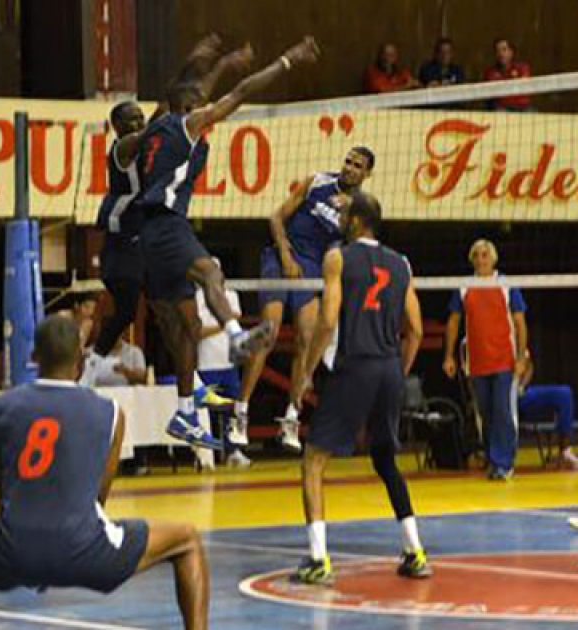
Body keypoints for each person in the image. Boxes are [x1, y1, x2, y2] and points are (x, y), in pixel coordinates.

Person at [0, 315, 209, 630]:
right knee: (187, 541)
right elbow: (98, 500)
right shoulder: (110, 412)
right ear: (81, 361)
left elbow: (5, 491)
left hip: (12, 548)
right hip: (87, 550)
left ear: (33, 358)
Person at [135, 36, 319, 451]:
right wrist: (287, 59)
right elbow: (239, 94)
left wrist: (216, 64)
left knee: (185, 334)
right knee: (211, 272)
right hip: (167, 226)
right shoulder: (187, 123)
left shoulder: (155, 127)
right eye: (198, 103)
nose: (205, 106)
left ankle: (185, 413)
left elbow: (188, 90)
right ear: (188, 109)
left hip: (147, 239)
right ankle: (237, 334)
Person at [85, 34, 250, 384]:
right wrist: (199, 68)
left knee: (183, 321)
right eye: (128, 122)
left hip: (146, 238)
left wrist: (206, 62)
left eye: (137, 118)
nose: (135, 124)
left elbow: (179, 103)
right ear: (117, 129)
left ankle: (191, 392)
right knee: (127, 311)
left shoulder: (155, 133)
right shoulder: (125, 148)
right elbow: (176, 107)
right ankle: (90, 370)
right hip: (122, 242)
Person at [292, 191, 430, 585]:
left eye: (343, 213)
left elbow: (327, 319)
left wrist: (306, 370)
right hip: (388, 368)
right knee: (386, 461)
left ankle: (318, 560)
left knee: (314, 460)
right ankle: (415, 552)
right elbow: (416, 330)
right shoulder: (401, 263)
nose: (338, 216)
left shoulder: (337, 257)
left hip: (355, 367)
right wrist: (398, 372)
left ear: (355, 222)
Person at [234, 148, 375, 453]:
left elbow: (352, 248)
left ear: (367, 174)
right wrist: (284, 254)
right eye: (348, 161)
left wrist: (349, 214)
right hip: (281, 256)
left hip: (314, 268)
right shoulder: (317, 182)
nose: (349, 168)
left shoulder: (360, 209)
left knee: (307, 339)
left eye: (357, 166)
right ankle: (241, 412)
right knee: (268, 332)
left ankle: (291, 418)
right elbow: (276, 218)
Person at [442, 239, 528, 480]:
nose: (481, 260)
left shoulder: (506, 285)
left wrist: (521, 357)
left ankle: (504, 463)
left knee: (502, 410)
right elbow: (453, 322)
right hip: (477, 363)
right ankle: (493, 460)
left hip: (504, 361)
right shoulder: (464, 287)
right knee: (486, 413)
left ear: (493, 258)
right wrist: (448, 356)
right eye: (477, 256)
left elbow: (520, 323)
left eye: (485, 255)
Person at [195, 280, 249, 468]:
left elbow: (236, 320)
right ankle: (206, 455)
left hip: (229, 362)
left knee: (233, 409)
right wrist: (224, 323)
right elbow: (198, 331)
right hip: (206, 363)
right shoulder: (197, 298)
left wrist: (219, 324)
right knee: (205, 411)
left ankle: (234, 451)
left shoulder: (232, 294)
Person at [516, 351, 578, 469]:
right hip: (500, 395)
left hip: (520, 394)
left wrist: (521, 386)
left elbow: (529, 366)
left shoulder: (517, 339)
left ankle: (565, 452)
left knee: (564, 393)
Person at [483, 38, 532, 111]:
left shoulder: (522, 68)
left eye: (504, 50)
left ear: (511, 52)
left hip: (523, 109)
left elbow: (523, 90)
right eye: (498, 51)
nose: (501, 53)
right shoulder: (491, 73)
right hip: (502, 109)